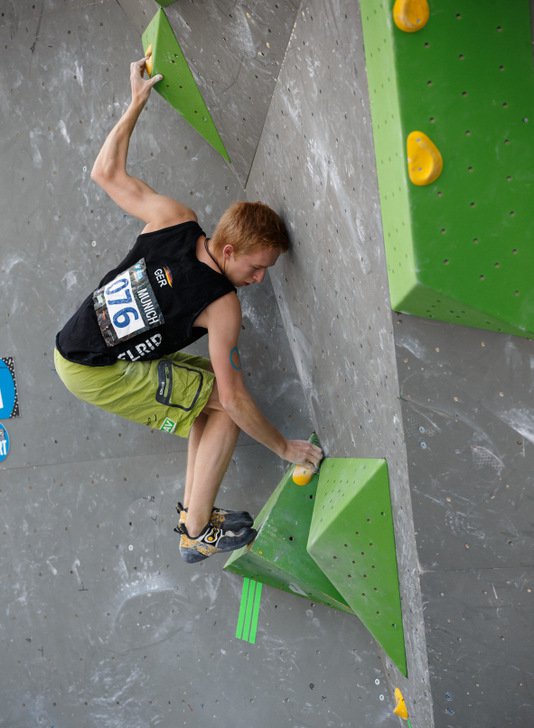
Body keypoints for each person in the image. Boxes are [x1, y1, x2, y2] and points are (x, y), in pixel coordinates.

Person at [54, 57, 323, 563]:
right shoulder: (221, 307)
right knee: (225, 401)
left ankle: (193, 520)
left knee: (210, 398)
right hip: (95, 371)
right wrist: (286, 449)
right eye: (257, 267)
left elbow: (105, 171)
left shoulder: (173, 219)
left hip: (74, 347)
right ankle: (197, 529)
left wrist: (136, 102)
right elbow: (238, 401)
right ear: (228, 250)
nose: (260, 279)